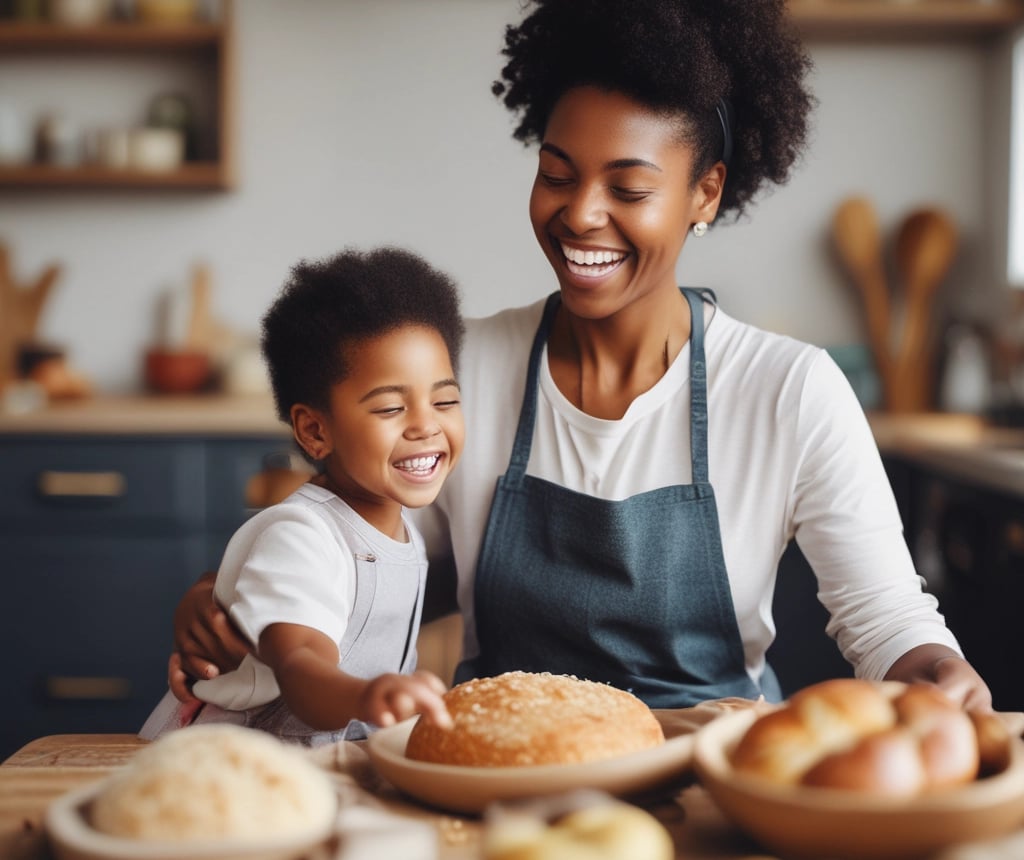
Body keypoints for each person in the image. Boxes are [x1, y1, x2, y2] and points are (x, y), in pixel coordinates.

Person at [169, 0, 992, 713]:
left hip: (713, 775)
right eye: (556, 174)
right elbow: (355, 545)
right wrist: (248, 597)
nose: (580, 216)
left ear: (706, 192)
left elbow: (887, 620)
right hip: (502, 767)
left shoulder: (788, 389)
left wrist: (940, 674)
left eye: (628, 190)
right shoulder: (467, 370)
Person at [141, 246, 463, 745]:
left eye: (445, 400)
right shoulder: (303, 538)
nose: (426, 424)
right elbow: (300, 665)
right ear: (314, 430)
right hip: (230, 772)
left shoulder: (405, 529)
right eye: (390, 408)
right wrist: (368, 696)